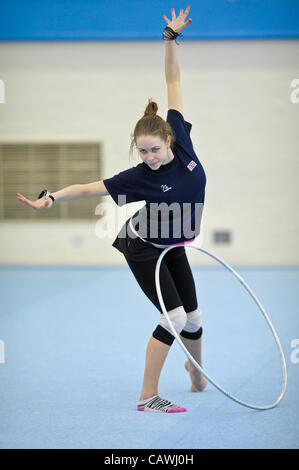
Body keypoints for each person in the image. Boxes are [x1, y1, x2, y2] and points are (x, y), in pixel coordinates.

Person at [17, 6, 207, 413]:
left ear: (170, 140)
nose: (150, 156)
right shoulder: (139, 174)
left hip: (174, 243)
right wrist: (51, 196)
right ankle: (147, 396)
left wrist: (170, 39)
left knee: (194, 316)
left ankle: (196, 371)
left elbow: (173, 79)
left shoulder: (182, 138)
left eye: (154, 149)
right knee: (173, 317)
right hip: (143, 245)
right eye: (142, 151)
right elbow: (89, 187)